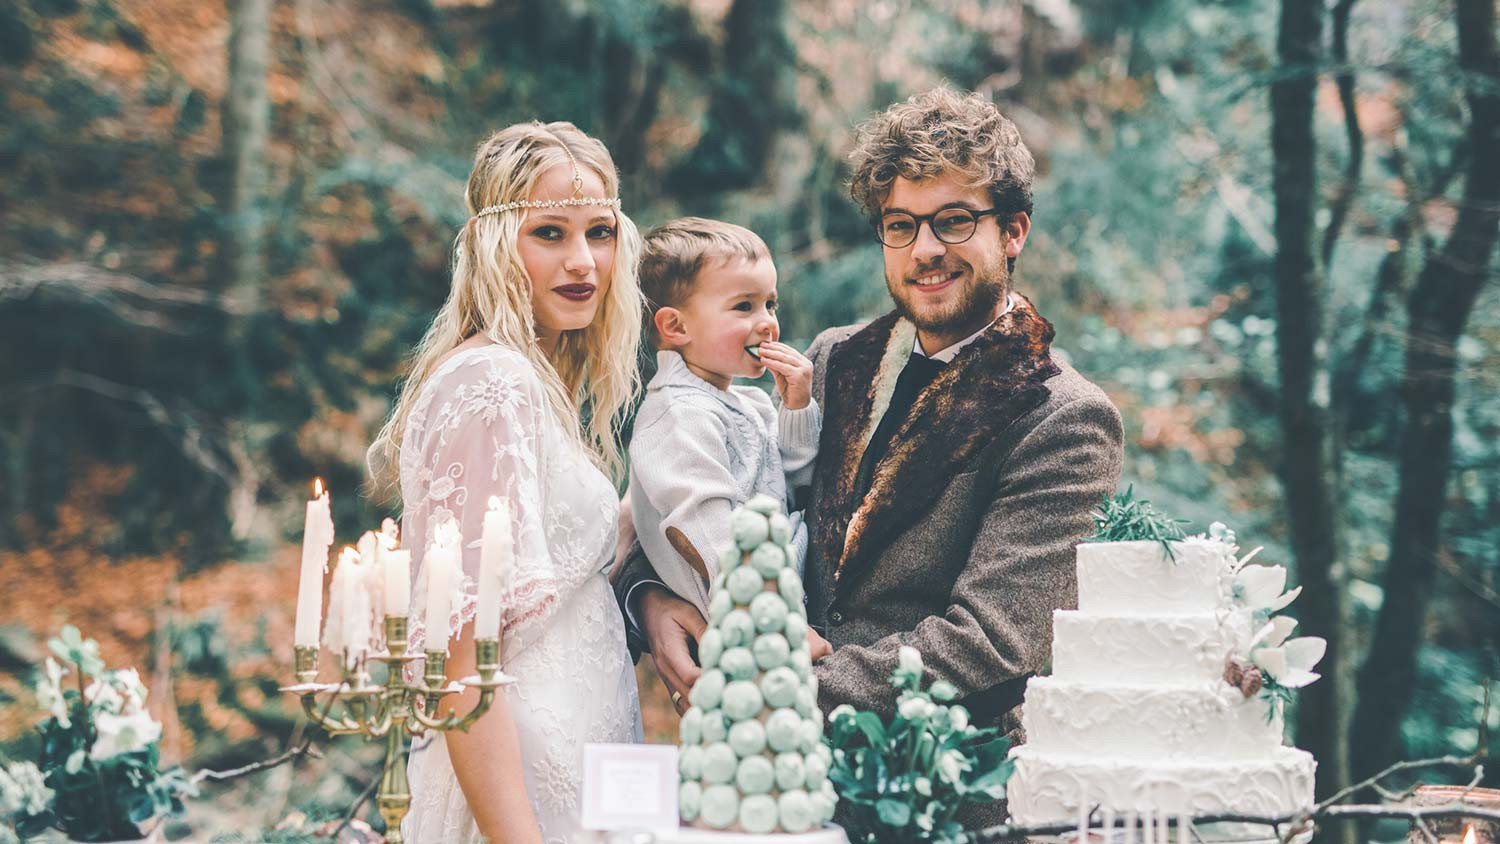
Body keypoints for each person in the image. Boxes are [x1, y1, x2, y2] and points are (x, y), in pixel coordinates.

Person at [620, 88, 1124, 829]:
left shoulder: (1064, 419)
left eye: (954, 221)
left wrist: (769, 685)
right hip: (764, 790)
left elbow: (990, 641)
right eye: (901, 225)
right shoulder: (829, 361)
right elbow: (696, 490)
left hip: (934, 798)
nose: (925, 249)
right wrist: (651, 600)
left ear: (1013, 231)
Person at [367, 121, 645, 844]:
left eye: (600, 233)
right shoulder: (493, 383)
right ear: (495, 245)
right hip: (518, 791)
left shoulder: (538, 386)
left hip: (587, 759)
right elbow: (463, 665)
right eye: (549, 233)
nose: (583, 262)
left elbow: (568, 568)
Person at [626, 218, 827, 623]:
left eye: (770, 304)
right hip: (748, 620)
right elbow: (706, 529)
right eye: (744, 306)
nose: (768, 322)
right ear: (676, 326)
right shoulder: (678, 416)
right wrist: (769, 616)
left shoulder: (749, 402)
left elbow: (796, 486)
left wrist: (797, 408)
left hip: (785, 598)